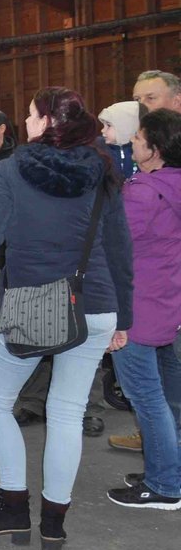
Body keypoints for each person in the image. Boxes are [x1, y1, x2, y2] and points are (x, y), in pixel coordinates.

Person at [0, 87, 132, 550]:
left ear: (47, 123)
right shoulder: (102, 170)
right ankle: (54, 524)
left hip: (31, 305)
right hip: (95, 304)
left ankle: (14, 507)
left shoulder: (13, 169)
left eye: (32, 116)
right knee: (67, 413)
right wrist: (125, 317)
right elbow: (120, 249)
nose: (26, 123)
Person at [102, 109, 181, 510]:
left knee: (145, 398)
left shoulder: (144, 192)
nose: (132, 143)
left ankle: (165, 485)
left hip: (137, 307)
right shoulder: (173, 184)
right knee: (166, 397)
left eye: (138, 139)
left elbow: (113, 242)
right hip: (167, 301)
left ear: (155, 148)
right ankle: (169, 468)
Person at [98, 100, 143, 181]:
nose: (103, 130)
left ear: (126, 126)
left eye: (108, 125)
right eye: (103, 125)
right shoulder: (99, 148)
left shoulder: (143, 149)